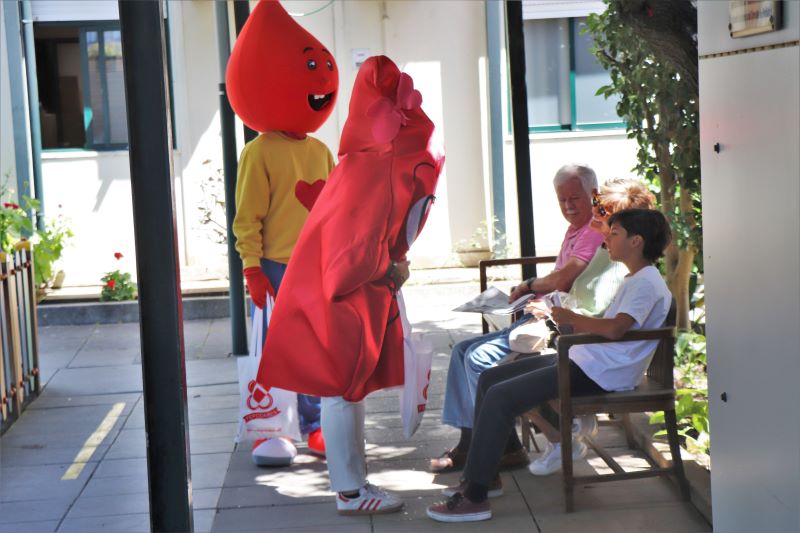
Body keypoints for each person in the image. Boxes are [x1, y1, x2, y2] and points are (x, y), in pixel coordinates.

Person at [257, 56, 444, 515]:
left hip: (329, 291)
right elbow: (353, 251)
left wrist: (387, 263)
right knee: (341, 392)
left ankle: (354, 485)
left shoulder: (359, 163)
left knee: (342, 392)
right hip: (340, 295)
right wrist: (389, 267)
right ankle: (351, 491)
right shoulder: (372, 169)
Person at [426, 208, 673, 523]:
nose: (607, 240)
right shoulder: (636, 278)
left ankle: (475, 497)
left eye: (614, 234)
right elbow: (614, 328)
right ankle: (485, 476)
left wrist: (573, 319)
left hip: (602, 373)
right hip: (588, 360)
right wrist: (567, 322)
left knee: (501, 397)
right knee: (490, 379)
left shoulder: (646, 282)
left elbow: (615, 329)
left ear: (636, 241)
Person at [431, 164, 604, 473]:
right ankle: (475, 442)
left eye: (575, 198)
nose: (568, 206)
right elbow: (561, 282)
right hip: (543, 316)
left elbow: (564, 279)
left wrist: (529, 286)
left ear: (594, 194)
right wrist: (533, 296)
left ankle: (502, 445)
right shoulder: (576, 229)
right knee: (460, 351)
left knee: (478, 361)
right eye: (562, 200)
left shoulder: (593, 230)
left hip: (556, 326)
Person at [227, 0, 338, 465]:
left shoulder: (321, 151)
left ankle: (314, 424)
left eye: (325, 67)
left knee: (313, 351)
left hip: (315, 267)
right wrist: (252, 268)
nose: (322, 79)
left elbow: (334, 212)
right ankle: (271, 427)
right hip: (275, 268)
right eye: (311, 67)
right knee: (274, 351)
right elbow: (247, 216)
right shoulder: (260, 152)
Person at [522, 178, 657, 475]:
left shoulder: (622, 266)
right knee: (512, 376)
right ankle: (565, 433)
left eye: (601, 215)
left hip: (595, 356)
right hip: (589, 349)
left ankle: (563, 436)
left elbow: (609, 322)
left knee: (515, 378)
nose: (593, 218)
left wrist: (559, 315)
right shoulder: (616, 257)